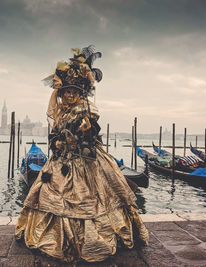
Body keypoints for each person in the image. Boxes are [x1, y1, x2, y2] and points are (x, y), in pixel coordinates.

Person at [15, 45, 148, 263]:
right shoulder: (60, 113)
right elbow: (54, 138)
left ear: (80, 93)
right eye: (65, 91)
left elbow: (93, 134)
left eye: (73, 92)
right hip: (61, 162)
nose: (69, 95)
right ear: (61, 93)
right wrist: (57, 142)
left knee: (90, 201)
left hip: (86, 162)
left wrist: (86, 131)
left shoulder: (88, 110)